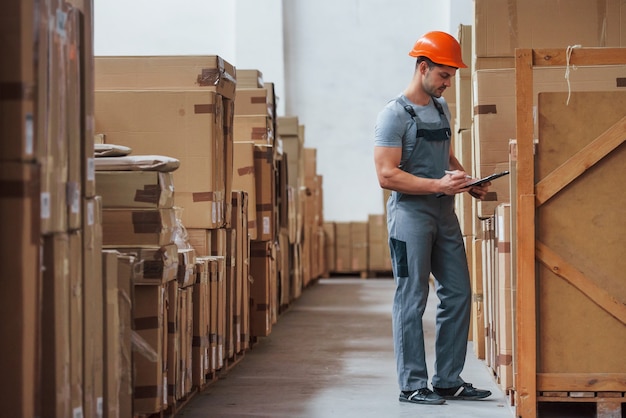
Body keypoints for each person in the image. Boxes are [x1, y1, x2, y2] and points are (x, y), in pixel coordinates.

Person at [373, 31, 492, 405]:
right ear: (423, 68)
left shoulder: (441, 109)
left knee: (457, 293)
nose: (448, 83)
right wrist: (438, 184)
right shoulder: (393, 115)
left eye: (452, 76)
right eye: (444, 75)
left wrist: (466, 179)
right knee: (411, 298)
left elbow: (447, 157)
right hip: (410, 217)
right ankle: (412, 385)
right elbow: (386, 175)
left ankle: (446, 380)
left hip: (444, 213)